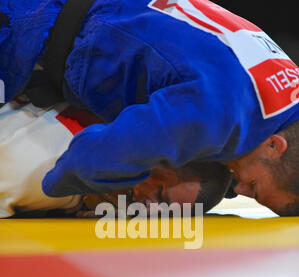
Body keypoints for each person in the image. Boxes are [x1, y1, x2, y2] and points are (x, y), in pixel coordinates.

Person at [1, 0, 299, 215]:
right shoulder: (220, 115)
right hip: (30, 23)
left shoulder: (284, 86)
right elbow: (84, 164)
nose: (241, 191)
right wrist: (84, 196)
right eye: (255, 187)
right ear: (275, 146)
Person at [0, 100, 231, 218]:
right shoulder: (37, 167)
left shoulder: (112, 113)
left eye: (162, 212)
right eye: (159, 194)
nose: (145, 206)